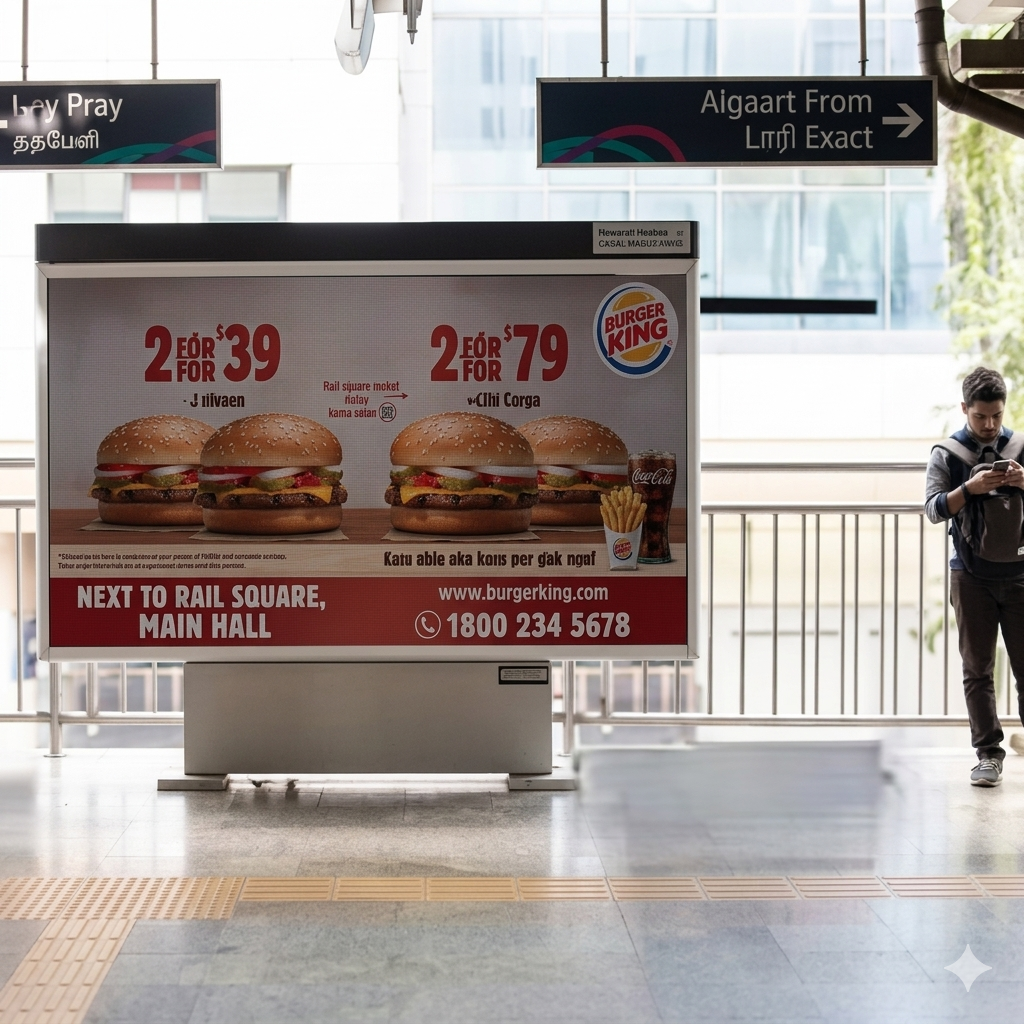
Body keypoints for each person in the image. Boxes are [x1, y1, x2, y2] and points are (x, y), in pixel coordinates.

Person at [926, 367, 1024, 786]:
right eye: (981, 416)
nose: (989, 426)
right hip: (970, 575)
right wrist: (970, 489)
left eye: (997, 416)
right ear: (965, 408)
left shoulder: (1020, 446)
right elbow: (932, 509)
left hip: (1021, 574)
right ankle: (988, 755)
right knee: (977, 669)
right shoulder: (947, 454)